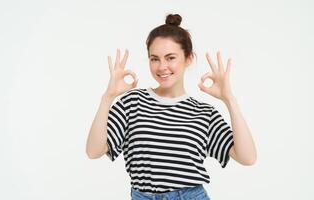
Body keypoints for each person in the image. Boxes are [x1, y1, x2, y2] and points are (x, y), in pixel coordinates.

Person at [86, 13, 257, 200]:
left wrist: (229, 99)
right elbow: (94, 151)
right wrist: (107, 97)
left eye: (170, 58)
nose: (162, 67)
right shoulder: (132, 103)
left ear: (189, 58)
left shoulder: (204, 113)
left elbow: (247, 158)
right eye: (154, 59)